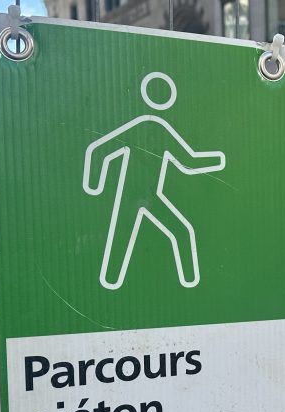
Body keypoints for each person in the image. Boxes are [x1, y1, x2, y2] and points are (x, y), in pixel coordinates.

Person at [82, 72, 226, 289]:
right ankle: (110, 284)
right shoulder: (140, 127)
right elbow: (102, 149)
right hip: (129, 196)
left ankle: (188, 282)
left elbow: (188, 161)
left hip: (151, 195)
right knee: (121, 239)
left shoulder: (161, 131)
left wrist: (219, 159)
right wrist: (95, 182)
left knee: (182, 232)